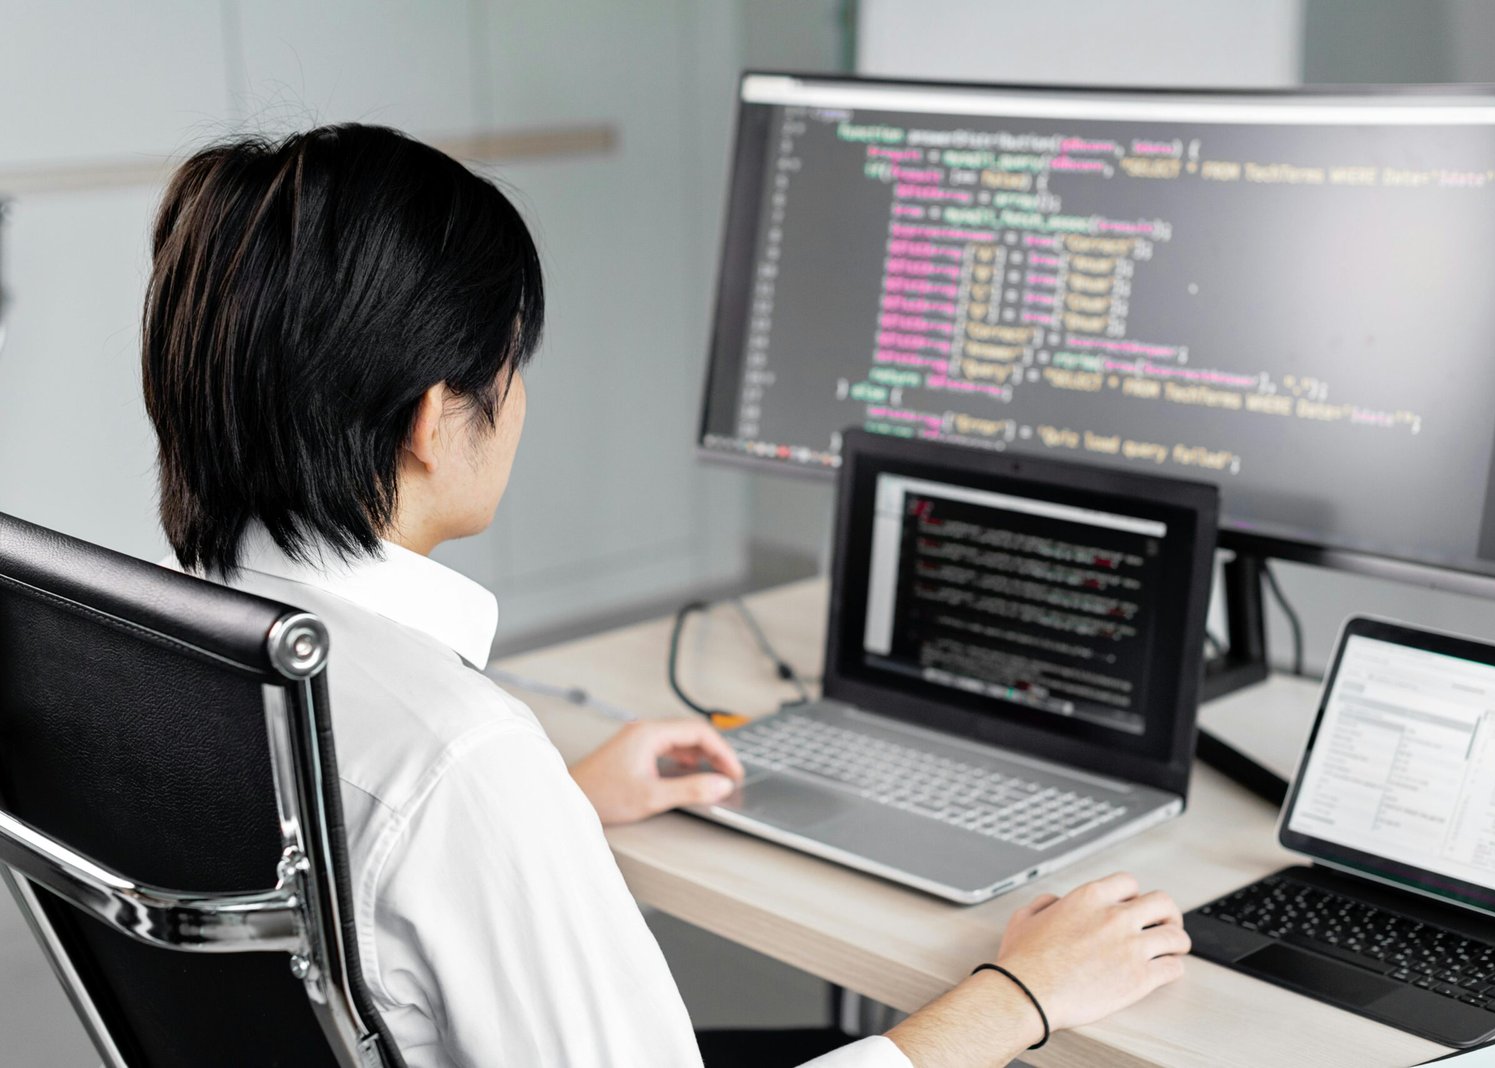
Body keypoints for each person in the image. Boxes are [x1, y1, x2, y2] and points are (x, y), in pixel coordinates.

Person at [141, 123, 1190, 1068]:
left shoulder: (161, 644)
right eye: (512, 363)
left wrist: (560, 806)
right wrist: (1022, 994)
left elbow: (341, 877)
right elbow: (434, 794)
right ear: (432, 419)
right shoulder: (460, 761)